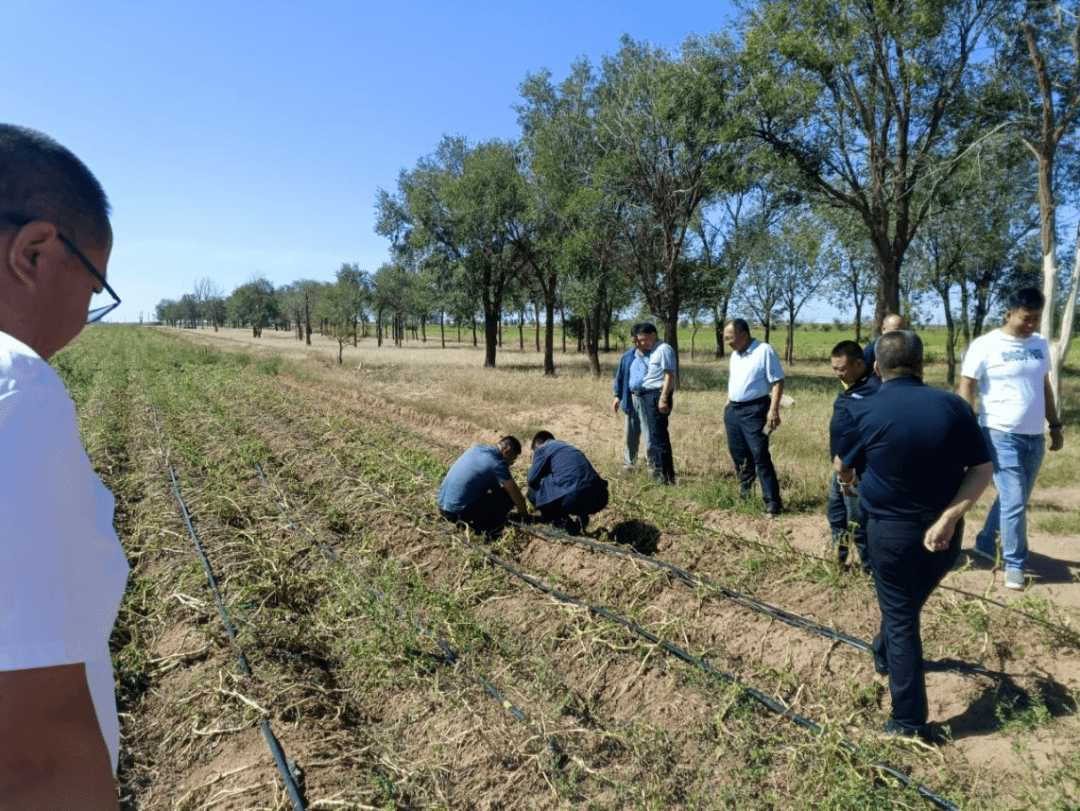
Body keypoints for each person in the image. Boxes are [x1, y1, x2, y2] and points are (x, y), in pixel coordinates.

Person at [0, 124, 128, 808]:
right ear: (34, 252)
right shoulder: (16, 391)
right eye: (92, 286)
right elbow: (35, 760)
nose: (86, 315)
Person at [835, 331, 991, 740]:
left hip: (891, 535)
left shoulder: (864, 408)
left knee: (902, 619)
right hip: (945, 535)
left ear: (875, 368)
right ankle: (882, 650)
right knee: (905, 606)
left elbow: (842, 463)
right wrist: (950, 518)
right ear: (924, 364)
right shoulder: (954, 406)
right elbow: (981, 469)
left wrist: (847, 478)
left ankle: (907, 721)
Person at [958, 287, 1065, 589]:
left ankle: (984, 542)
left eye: (1036, 319)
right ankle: (1014, 564)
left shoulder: (1040, 344)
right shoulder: (987, 345)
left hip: (1034, 437)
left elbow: (1044, 386)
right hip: (999, 433)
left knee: (1013, 500)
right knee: (1015, 501)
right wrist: (967, 428)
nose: (1031, 324)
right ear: (1009, 313)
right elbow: (967, 386)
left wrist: (1054, 425)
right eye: (1026, 318)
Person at [826, 340, 880, 572]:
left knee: (858, 524)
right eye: (834, 369)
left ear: (860, 363)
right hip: (841, 466)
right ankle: (838, 562)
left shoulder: (873, 388)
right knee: (836, 517)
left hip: (858, 470)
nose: (838, 374)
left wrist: (847, 470)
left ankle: (870, 570)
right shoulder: (848, 384)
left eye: (842, 369)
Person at [723, 318, 785, 515]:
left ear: (743, 334)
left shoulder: (763, 351)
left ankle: (772, 503)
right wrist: (728, 405)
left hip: (755, 410)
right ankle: (746, 496)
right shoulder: (735, 355)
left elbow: (777, 381)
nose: (728, 342)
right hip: (734, 410)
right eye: (725, 338)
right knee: (739, 455)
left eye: (730, 338)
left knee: (759, 456)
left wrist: (773, 410)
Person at [438, 436, 531, 534]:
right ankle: (488, 526)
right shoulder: (498, 464)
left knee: (497, 494)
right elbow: (515, 495)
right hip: (457, 514)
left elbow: (494, 487)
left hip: (442, 507)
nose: (512, 463)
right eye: (513, 458)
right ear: (506, 452)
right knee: (507, 498)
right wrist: (525, 516)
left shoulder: (476, 448)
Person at [526, 431, 609, 534]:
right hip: (600, 497)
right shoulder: (568, 447)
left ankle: (563, 524)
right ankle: (581, 517)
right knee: (569, 481)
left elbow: (531, 480)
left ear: (537, 445)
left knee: (533, 492)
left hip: (575, 497)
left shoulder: (543, 448)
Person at [629, 323, 677, 484]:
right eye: (639, 341)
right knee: (656, 437)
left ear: (653, 335)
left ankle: (666, 478)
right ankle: (662, 474)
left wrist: (663, 397)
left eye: (644, 339)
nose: (642, 344)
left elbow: (669, 375)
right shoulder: (655, 350)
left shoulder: (664, 349)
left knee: (658, 437)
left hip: (657, 395)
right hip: (649, 395)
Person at [613, 331, 650, 471]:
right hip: (630, 398)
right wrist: (618, 396)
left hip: (648, 399)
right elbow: (620, 376)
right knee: (630, 434)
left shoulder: (653, 355)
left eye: (640, 341)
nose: (638, 344)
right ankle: (629, 465)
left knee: (649, 435)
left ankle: (651, 465)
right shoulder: (628, 355)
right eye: (634, 341)